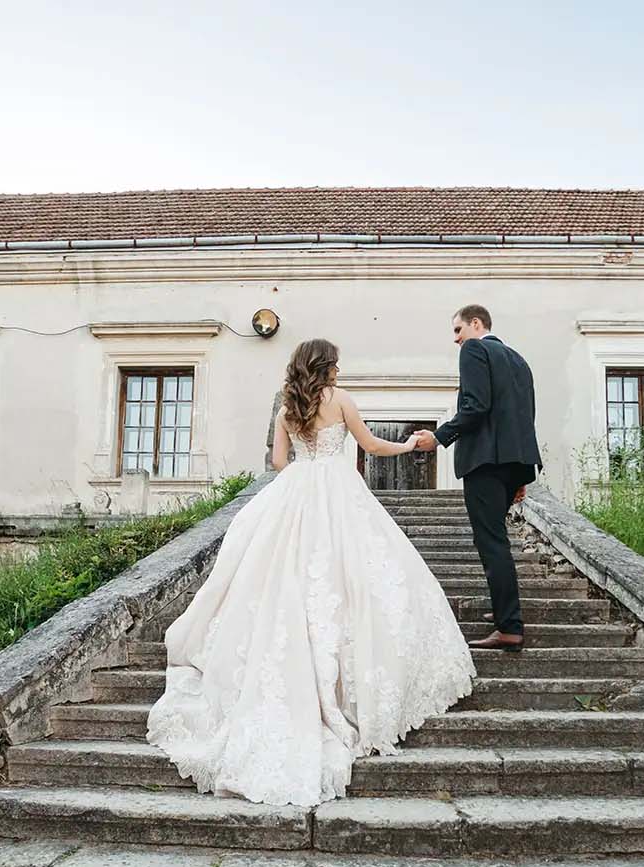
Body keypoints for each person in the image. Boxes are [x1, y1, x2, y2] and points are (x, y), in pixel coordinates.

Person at [146, 338, 476, 806]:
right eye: (336, 363)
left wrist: (305, 463)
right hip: (338, 489)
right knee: (355, 575)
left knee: (287, 574)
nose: (340, 369)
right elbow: (370, 445)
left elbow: (280, 463)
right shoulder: (338, 399)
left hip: (297, 489)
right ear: (325, 366)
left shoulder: (288, 406)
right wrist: (407, 443)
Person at [412, 305, 542, 651]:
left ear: (476, 323)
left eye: (458, 330)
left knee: (491, 542)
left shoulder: (475, 349)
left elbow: (475, 406)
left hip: (486, 461)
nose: (456, 339)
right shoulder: (518, 360)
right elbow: (523, 414)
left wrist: (439, 437)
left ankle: (509, 627)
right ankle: (504, 611)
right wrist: (521, 474)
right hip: (515, 461)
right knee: (494, 539)